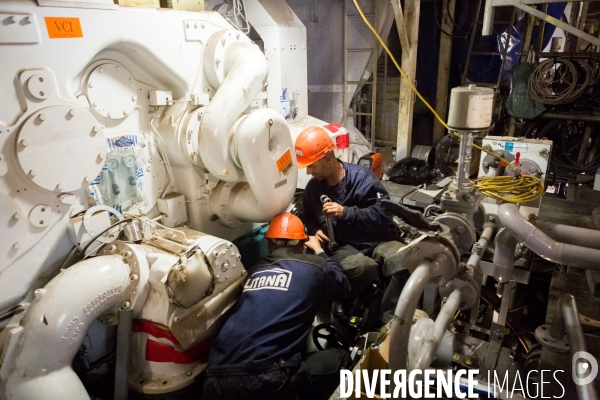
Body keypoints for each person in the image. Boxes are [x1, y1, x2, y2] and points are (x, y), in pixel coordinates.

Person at [202, 212, 352, 400]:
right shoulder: (315, 266)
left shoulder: (254, 270)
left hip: (214, 377)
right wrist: (319, 251)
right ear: (302, 244)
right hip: (266, 378)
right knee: (341, 358)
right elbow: (344, 287)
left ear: (270, 244)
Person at [295, 126, 407, 323]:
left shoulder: (363, 178)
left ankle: (389, 320)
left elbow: (384, 215)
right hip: (342, 245)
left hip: (375, 239)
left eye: (311, 165)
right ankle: (345, 299)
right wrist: (314, 231)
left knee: (404, 260)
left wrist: (346, 212)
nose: (308, 171)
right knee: (364, 268)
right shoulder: (313, 189)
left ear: (328, 158)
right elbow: (308, 218)